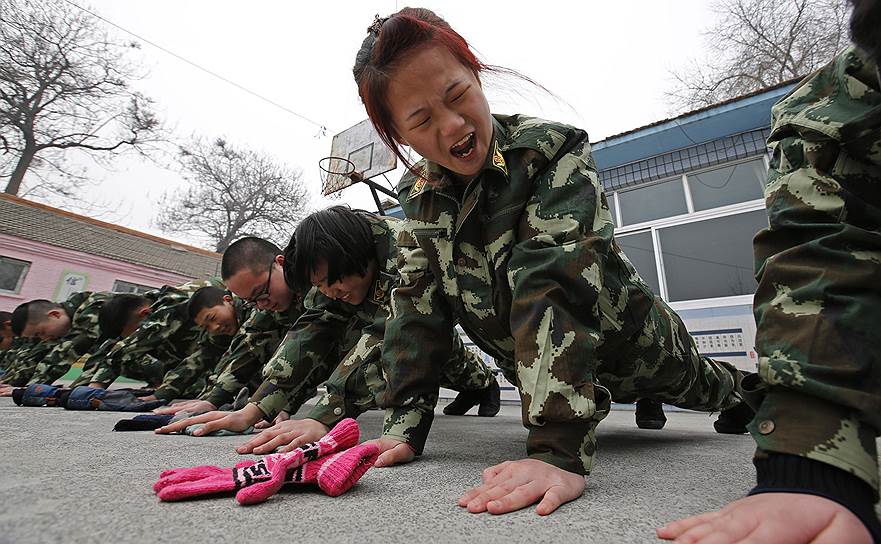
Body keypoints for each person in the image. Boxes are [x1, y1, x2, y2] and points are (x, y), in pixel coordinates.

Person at [351, 7, 754, 517]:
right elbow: (415, 312)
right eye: (421, 120)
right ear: (399, 135)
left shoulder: (550, 152)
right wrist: (402, 428)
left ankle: (747, 392)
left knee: (703, 387)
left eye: (457, 96)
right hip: (542, 372)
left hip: (637, 346)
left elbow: (552, 279)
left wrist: (557, 449)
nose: (453, 125)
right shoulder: (418, 201)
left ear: (477, 76)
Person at [658, 2, 881, 542]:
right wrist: (813, 469)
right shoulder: (827, 114)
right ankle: (736, 389)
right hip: (648, 360)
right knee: (677, 379)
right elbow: (820, 263)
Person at [157, 207, 501, 441]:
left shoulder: (405, 252)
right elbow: (311, 334)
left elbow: (392, 335)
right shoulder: (326, 272)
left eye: (326, 284)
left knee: (440, 353)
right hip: (398, 326)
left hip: (460, 321)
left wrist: (324, 415)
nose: (325, 293)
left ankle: (482, 384)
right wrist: (257, 406)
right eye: (317, 287)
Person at [153, 237, 310, 419]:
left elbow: (311, 345)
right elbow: (247, 350)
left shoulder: (320, 280)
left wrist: (287, 406)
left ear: (281, 263)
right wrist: (212, 400)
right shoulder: (264, 307)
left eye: (261, 292)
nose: (261, 304)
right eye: (251, 301)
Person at [0, 291, 110, 389]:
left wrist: (32, 388)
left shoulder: (95, 306)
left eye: (41, 333)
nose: (44, 338)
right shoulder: (63, 324)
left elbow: (69, 350)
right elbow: (36, 354)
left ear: (55, 315)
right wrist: (12, 382)